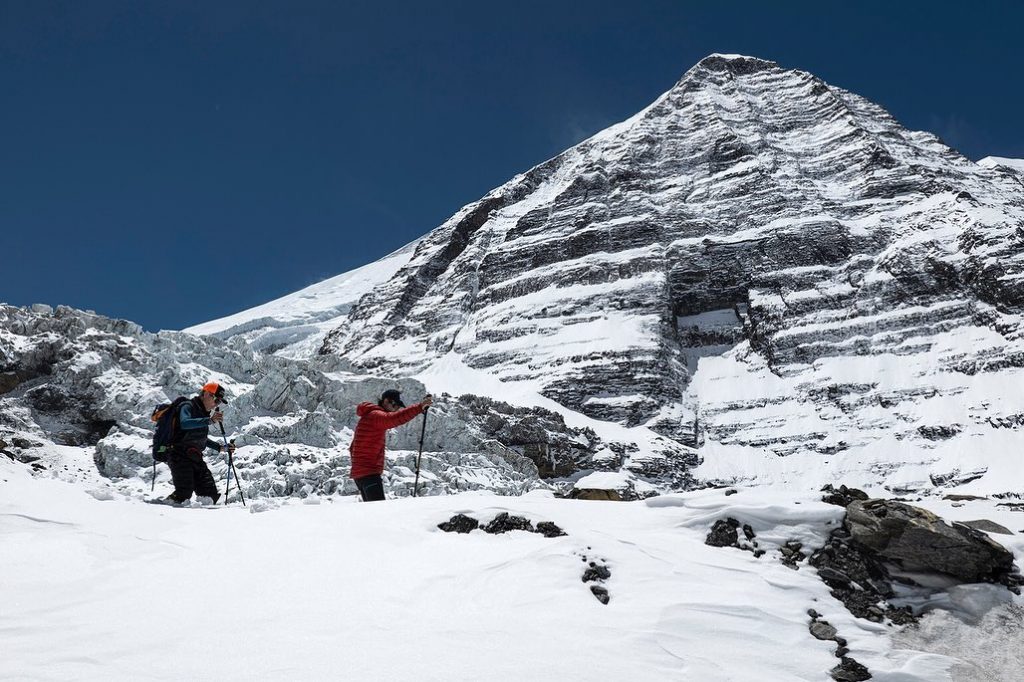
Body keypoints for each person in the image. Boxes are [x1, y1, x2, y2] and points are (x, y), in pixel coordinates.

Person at [349, 389, 432, 501]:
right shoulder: (376, 415)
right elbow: (394, 419)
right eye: (396, 405)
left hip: (361, 475)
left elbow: (352, 448)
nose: (396, 409)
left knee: (371, 512)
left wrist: (359, 465)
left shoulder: (368, 416)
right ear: (386, 401)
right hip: (369, 474)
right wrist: (419, 407)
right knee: (379, 513)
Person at [166, 381, 235, 505]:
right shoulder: (187, 406)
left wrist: (220, 448)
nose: (216, 405)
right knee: (183, 493)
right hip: (178, 454)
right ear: (207, 394)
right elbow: (185, 423)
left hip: (195, 456)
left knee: (210, 494)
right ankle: (160, 512)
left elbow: (201, 438)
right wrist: (209, 420)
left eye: (219, 402)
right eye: (216, 400)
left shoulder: (203, 415)